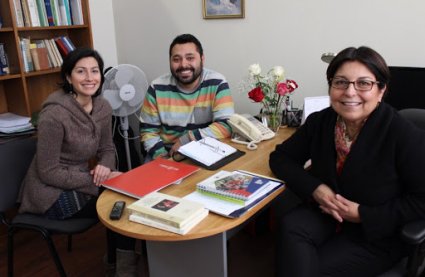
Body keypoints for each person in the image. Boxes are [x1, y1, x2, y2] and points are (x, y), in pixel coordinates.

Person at [269, 46, 425, 276]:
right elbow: (280, 158)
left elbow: (422, 200)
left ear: (381, 90)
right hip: (328, 214)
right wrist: (316, 189)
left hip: (376, 231)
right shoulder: (321, 122)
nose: (350, 92)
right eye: (340, 82)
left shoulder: (402, 133)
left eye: (363, 83)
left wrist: (362, 214)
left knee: (310, 267)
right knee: (291, 229)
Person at [18, 47, 138, 276]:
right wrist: (96, 178)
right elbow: (48, 171)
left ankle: (116, 259)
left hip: (81, 180)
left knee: (122, 196)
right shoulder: (54, 115)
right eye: (81, 71)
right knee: (118, 204)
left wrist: (105, 166)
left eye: (94, 71)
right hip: (49, 192)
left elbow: (107, 147)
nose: (89, 78)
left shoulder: (102, 106)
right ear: (68, 77)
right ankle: (125, 268)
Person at [140, 33, 235, 161]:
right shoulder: (156, 87)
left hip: (205, 152)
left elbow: (226, 125)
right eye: (176, 59)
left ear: (202, 58)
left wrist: (187, 140)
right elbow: (148, 131)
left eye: (190, 58)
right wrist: (164, 158)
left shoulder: (217, 83)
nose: (183, 65)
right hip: (166, 154)